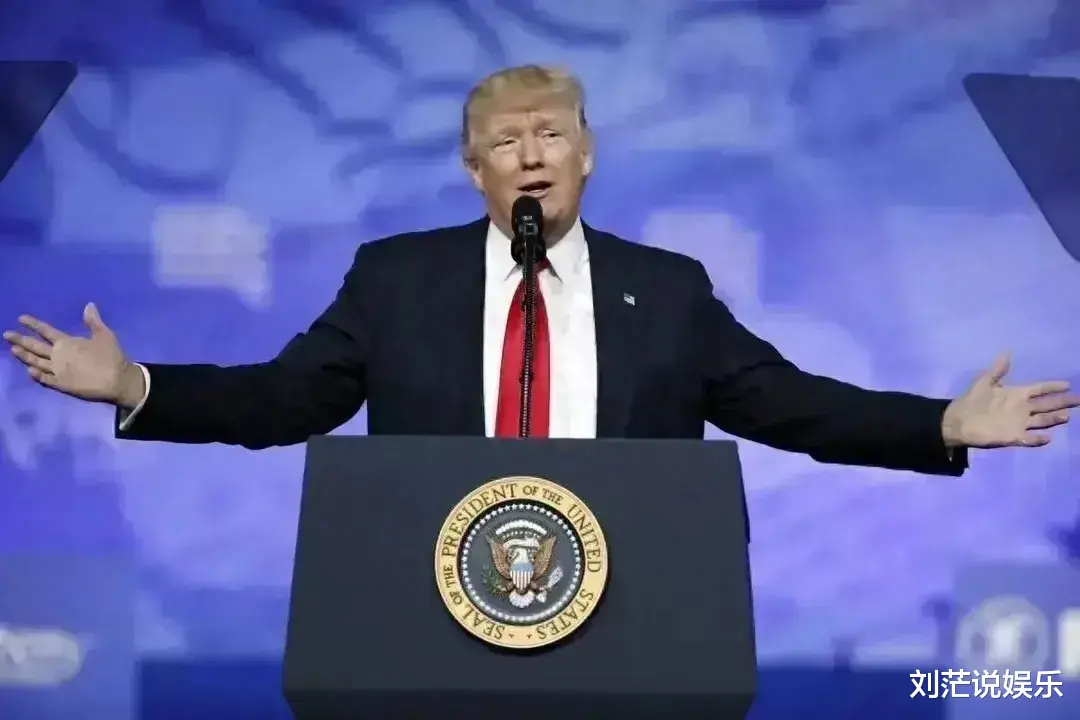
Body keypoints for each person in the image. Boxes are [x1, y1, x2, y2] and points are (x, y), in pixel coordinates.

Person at [3, 65, 1076, 474]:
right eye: (506, 141)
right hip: (428, 606)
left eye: (551, 134)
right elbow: (286, 399)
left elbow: (787, 404)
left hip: (637, 608)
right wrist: (138, 385)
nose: (531, 154)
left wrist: (939, 423)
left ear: (586, 155)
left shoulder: (667, 288)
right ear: (475, 171)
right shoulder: (396, 280)